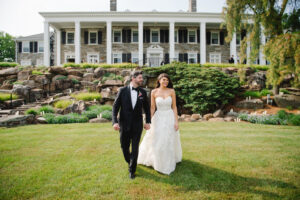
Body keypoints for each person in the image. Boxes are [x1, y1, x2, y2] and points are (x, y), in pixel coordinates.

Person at [137, 73, 182, 175]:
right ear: (159, 81)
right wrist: (148, 120)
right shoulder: (154, 92)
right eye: (164, 80)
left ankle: (168, 160)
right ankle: (156, 160)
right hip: (158, 117)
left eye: (167, 80)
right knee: (157, 138)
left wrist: (176, 121)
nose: (166, 82)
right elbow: (152, 108)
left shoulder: (172, 91)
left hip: (169, 117)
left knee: (168, 139)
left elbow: (174, 107)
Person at [112, 71, 151, 179]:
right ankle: (130, 161)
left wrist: (147, 122)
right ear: (133, 78)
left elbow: (147, 109)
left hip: (137, 125)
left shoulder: (143, 92)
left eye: (141, 78)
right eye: (139, 78)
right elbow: (115, 107)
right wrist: (115, 122)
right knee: (124, 147)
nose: (141, 79)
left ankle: (132, 170)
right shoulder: (122, 91)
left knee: (135, 148)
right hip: (124, 124)